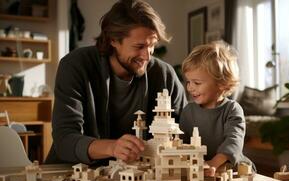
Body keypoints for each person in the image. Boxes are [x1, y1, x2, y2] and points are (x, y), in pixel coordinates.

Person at [46, 0, 186, 165]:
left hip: (136, 179)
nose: (147, 56)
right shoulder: (75, 65)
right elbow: (65, 141)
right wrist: (112, 148)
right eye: (139, 46)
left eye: (152, 46)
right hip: (70, 175)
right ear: (113, 40)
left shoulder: (164, 74)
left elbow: (186, 127)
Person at [179, 41, 253, 176]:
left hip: (231, 168)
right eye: (188, 81)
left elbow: (233, 141)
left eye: (197, 82)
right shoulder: (188, 111)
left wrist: (214, 163)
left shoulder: (232, 110)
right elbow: (182, 143)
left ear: (221, 84)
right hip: (201, 168)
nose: (190, 87)